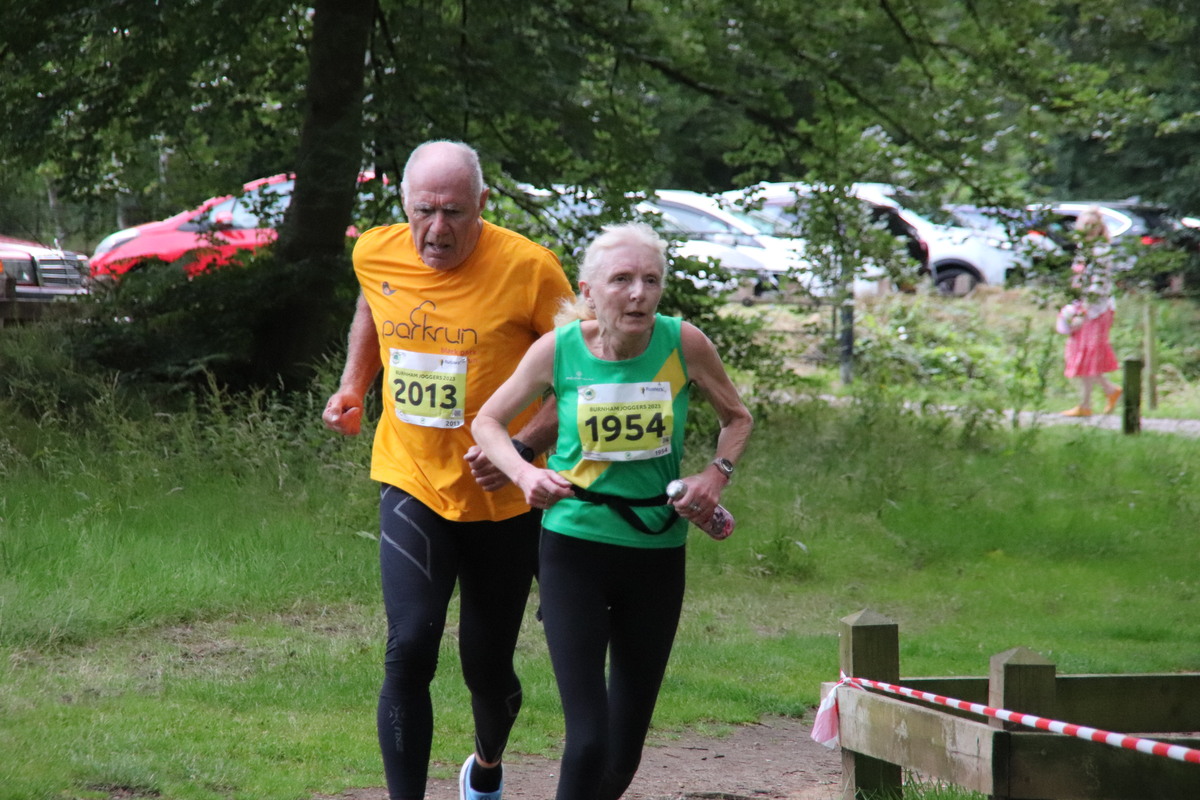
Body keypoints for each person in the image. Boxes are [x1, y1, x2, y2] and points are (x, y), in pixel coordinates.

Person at [321, 140, 574, 800]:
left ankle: (485, 768)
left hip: (504, 499)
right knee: (409, 646)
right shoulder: (374, 251)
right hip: (412, 478)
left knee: (486, 668)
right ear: (403, 203)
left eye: (455, 213)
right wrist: (353, 385)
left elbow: (583, 375)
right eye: (423, 211)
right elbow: (372, 307)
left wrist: (521, 447)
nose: (437, 230)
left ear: (482, 204)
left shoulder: (531, 269)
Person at [472, 222, 754, 800]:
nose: (638, 294)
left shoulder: (684, 344)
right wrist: (526, 474)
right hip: (574, 546)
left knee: (623, 755)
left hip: (657, 549)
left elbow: (737, 417)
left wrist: (714, 476)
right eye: (622, 280)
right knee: (588, 741)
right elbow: (487, 422)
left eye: (651, 280)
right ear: (589, 291)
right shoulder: (560, 349)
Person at [1058, 206, 1121, 417]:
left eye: (1092, 225)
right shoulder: (1083, 250)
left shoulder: (1100, 252)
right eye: (1085, 225)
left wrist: (1082, 313)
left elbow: (1097, 287)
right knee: (1081, 354)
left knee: (1088, 354)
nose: (1088, 229)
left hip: (1096, 311)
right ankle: (1091, 401)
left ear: (1099, 228)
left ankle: (1098, 397)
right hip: (1084, 307)